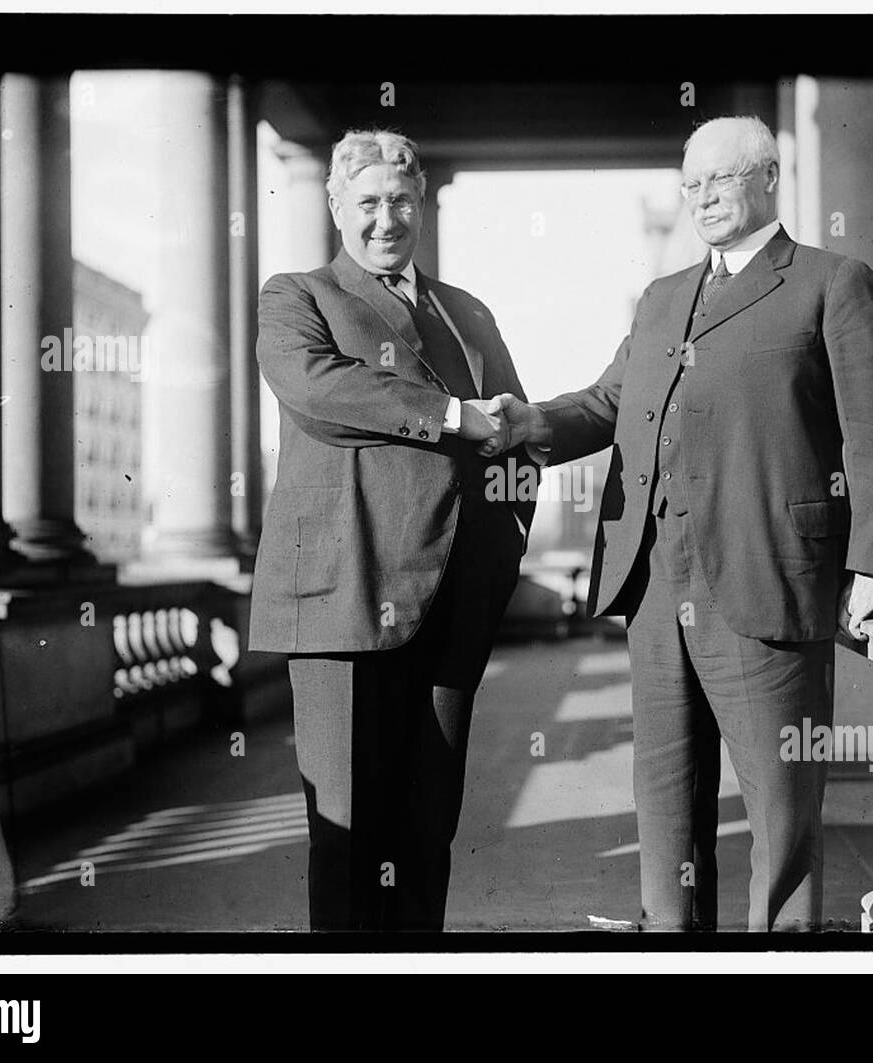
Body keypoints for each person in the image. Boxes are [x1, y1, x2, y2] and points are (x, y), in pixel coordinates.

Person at [487, 115, 873, 931]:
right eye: (691, 184)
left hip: (769, 569)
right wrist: (519, 423)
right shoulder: (661, 299)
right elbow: (611, 404)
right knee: (666, 799)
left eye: (721, 179)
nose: (704, 198)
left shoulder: (833, 282)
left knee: (781, 803)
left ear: (766, 180)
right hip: (654, 582)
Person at [248, 129, 528, 932]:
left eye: (401, 201)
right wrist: (451, 416)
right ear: (336, 205)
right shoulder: (296, 295)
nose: (385, 219)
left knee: (426, 833)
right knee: (347, 838)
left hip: (450, 610)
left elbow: (517, 434)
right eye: (366, 202)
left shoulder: (467, 311)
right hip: (345, 601)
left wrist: (495, 558)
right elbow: (323, 392)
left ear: (422, 204)